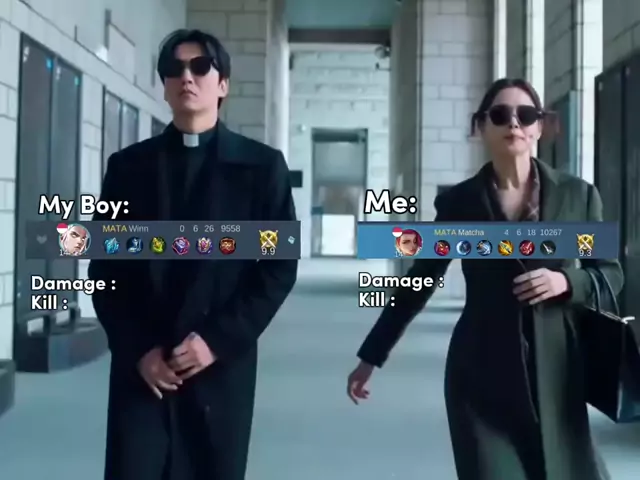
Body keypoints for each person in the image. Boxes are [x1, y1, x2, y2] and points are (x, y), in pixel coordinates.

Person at [347, 78, 623, 480]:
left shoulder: (578, 196)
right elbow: (419, 282)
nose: (514, 124)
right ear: (481, 127)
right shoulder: (459, 203)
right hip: (480, 372)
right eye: (500, 115)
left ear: (539, 128)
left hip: (557, 370)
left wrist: (566, 282)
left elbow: (610, 274)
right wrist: (371, 355)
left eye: (525, 115)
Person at [88, 29, 298, 480]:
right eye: (175, 69)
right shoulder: (128, 168)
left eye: (200, 67)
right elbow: (106, 271)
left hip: (219, 364)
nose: (187, 77)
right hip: (144, 367)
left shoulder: (262, 168)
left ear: (223, 84)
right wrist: (139, 350)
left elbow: (278, 269)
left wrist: (216, 341)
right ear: (164, 87)